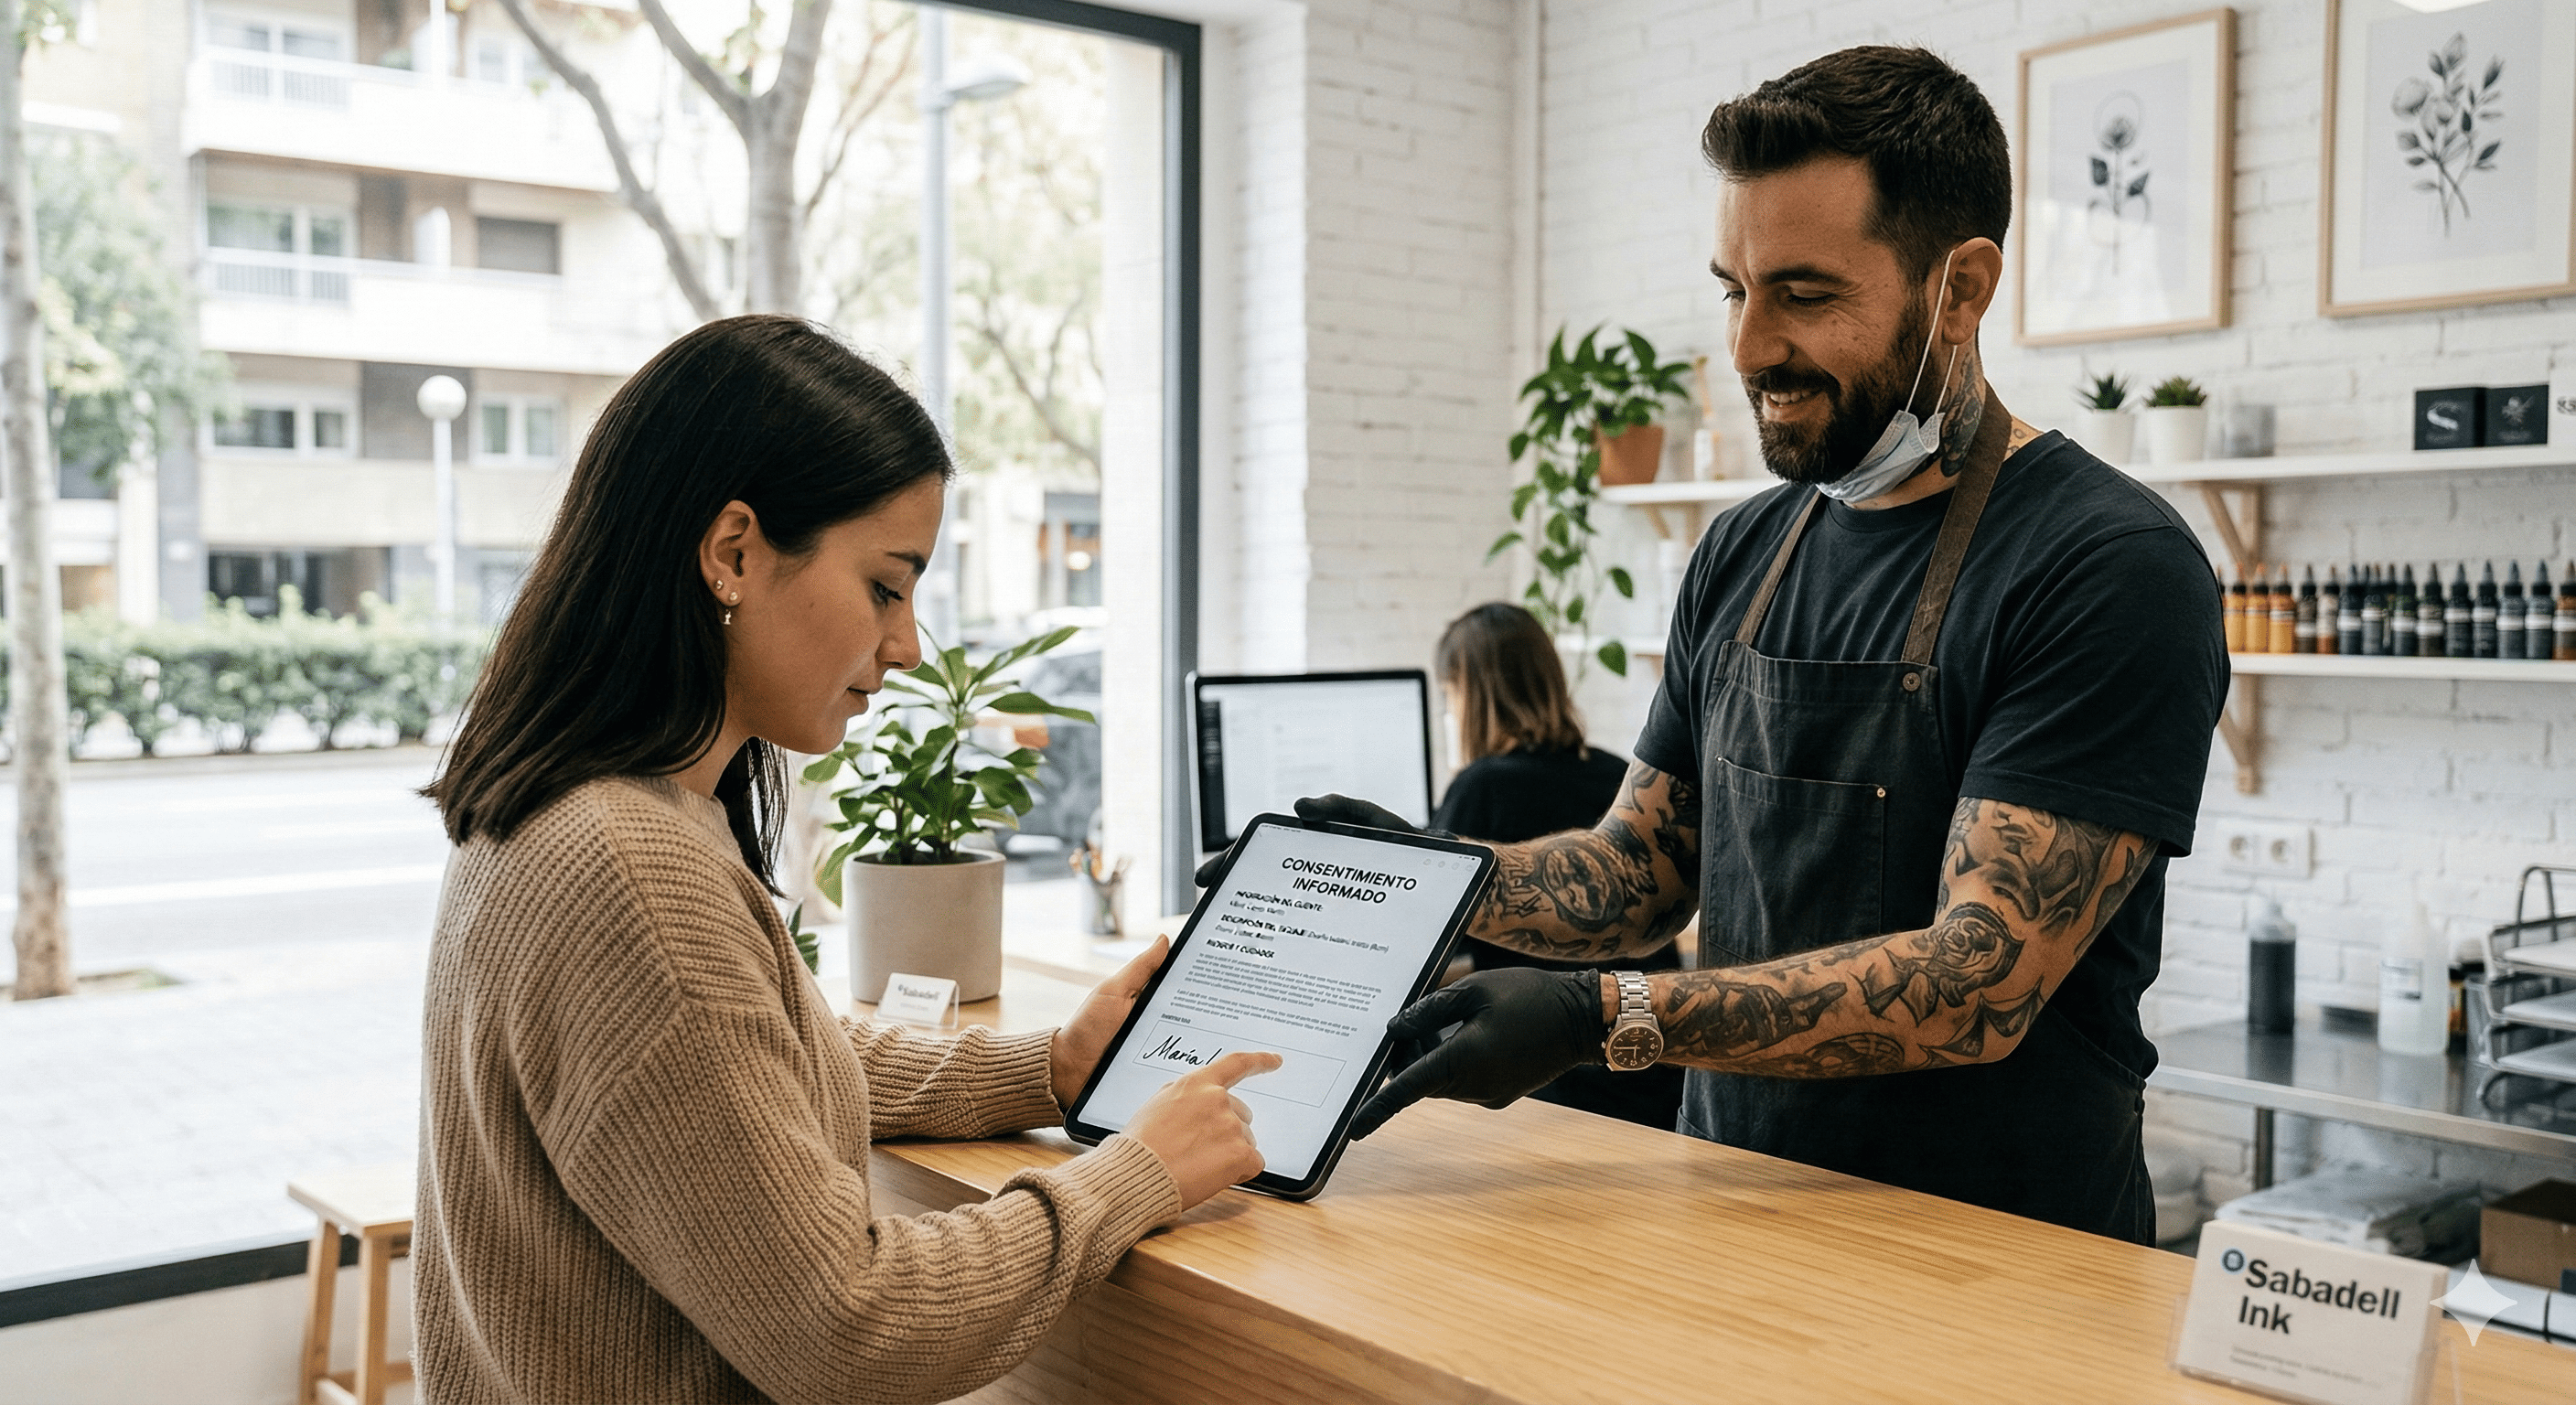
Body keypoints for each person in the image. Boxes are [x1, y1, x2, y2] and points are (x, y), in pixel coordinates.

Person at [1323, 48, 2227, 1243]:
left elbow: (1977, 982)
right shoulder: (1744, 553)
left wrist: (1607, 1016)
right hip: (1731, 1221)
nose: (1749, 350)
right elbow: (1638, 874)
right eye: (1733, 291)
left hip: (2001, 1265)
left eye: (1803, 295)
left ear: (1960, 288)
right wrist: (1422, 876)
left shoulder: (2104, 565)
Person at [415, 315, 1278, 1405]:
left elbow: (742, 1075)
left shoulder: (583, 806)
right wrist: (1131, 1177)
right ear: (733, 553)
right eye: (886, 585)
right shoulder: (626, 866)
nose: (909, 643)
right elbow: (849, 1330)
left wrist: (1048, 1067)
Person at [1429, 603, 1682, 1130]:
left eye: (1450, 697)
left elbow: (1424, 940)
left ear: (1468, 695)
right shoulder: (1620, 775)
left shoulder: (1481, 790)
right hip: (1653, 1066)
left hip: (1554, 1078)